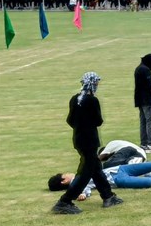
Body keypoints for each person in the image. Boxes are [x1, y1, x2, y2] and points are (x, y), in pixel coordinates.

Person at [51, 72, 125, 214]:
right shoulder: (92, 100)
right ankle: (64, 201)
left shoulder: (74, 99)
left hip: (78, 139)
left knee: (96, 169)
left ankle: (108, 196)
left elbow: (70, 120)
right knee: (85, 172)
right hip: (90, 140)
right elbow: (98, 121)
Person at [50, 160, 151, 195]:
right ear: (64, 181)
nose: (68, 173)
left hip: (119, 169)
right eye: (65, 174)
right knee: (148, 182)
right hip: (117, 180)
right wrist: (83, 195)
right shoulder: (76, 183)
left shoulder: (80, 173)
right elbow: (85, 189)